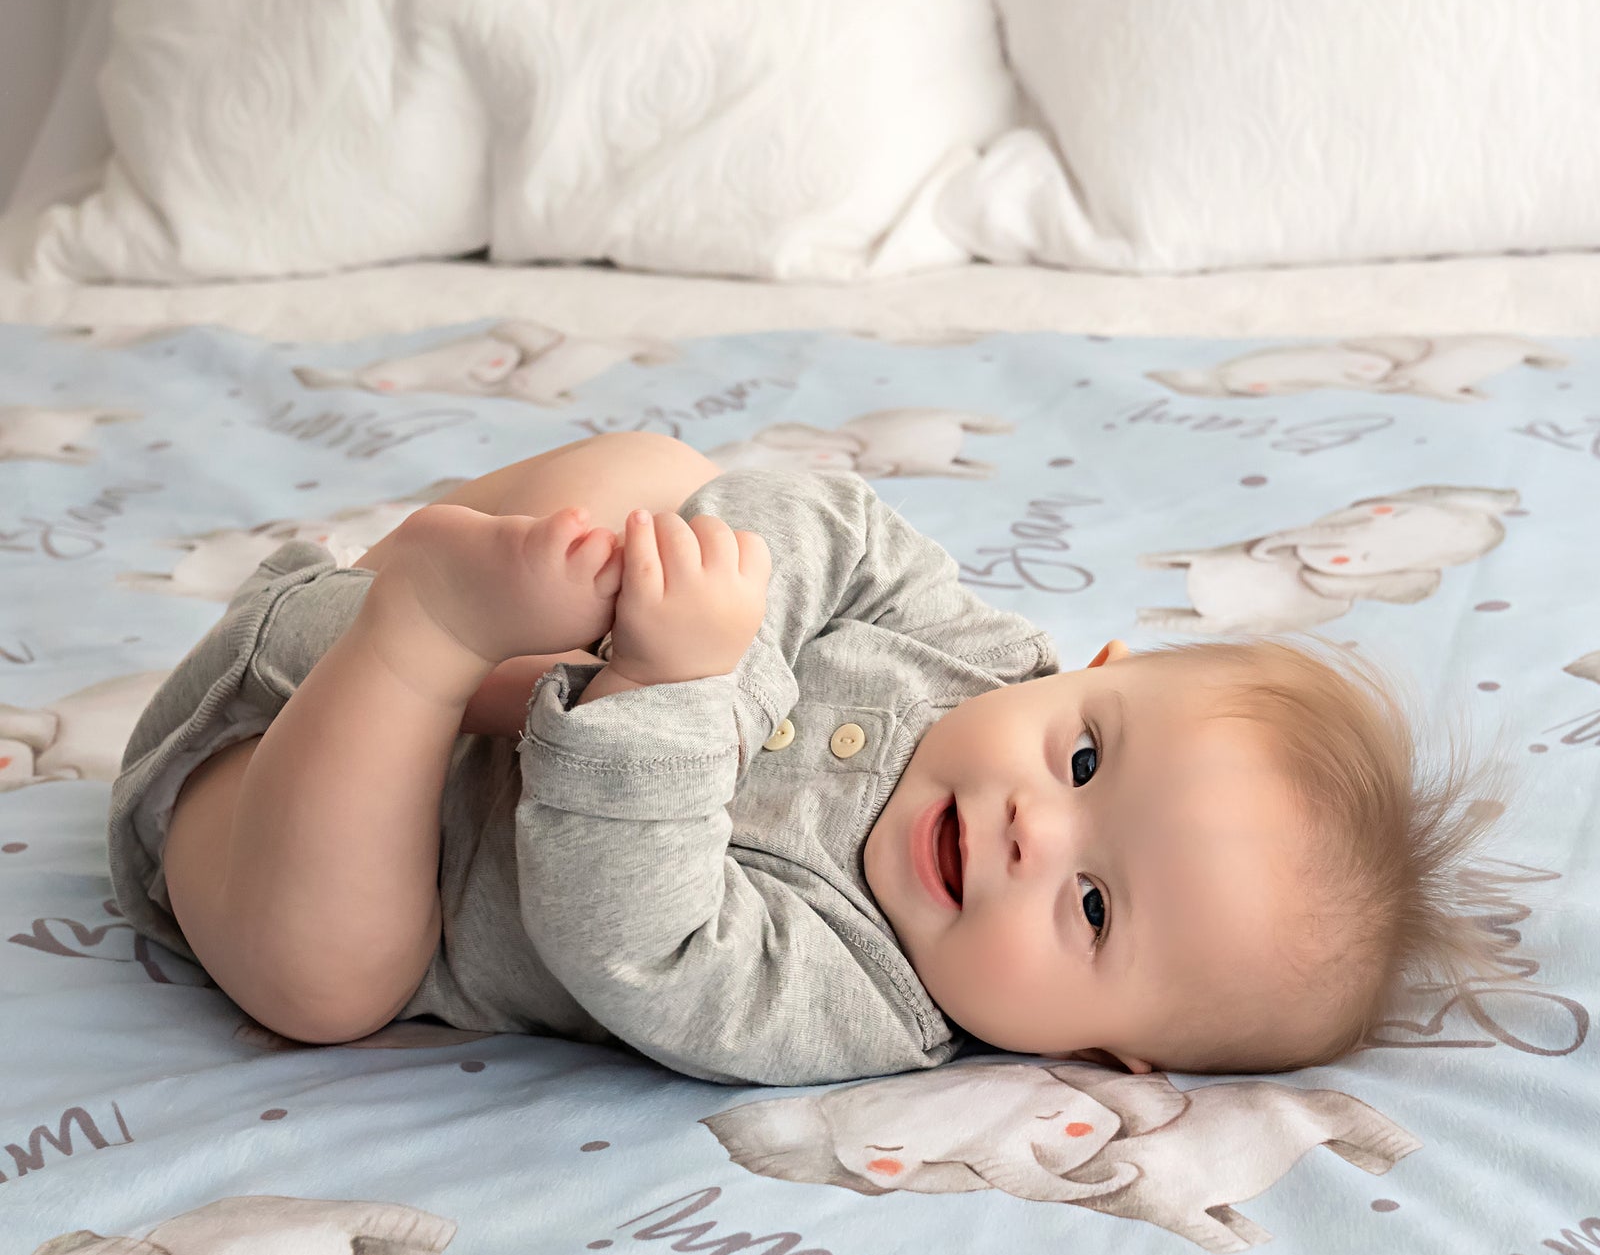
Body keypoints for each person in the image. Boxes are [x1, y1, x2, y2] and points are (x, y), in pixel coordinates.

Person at [108, 432, 1526, 1086]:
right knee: (664, 475)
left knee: (333, 985)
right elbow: (824, 519)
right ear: (1097, 672)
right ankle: (408, 594)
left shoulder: (861, 1004)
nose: (1039, 833)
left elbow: (640, 940)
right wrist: (706, 642)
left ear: (1104, 1053)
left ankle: (425, 630)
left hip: (274, 829)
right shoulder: (976, 657)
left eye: (1095, 910)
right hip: (372, 628)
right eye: (1088, 764)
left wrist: (675, 685)